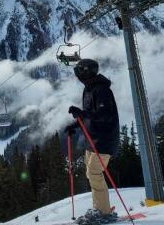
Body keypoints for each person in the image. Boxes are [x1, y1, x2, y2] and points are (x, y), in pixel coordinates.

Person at [65, 58, 119, 219]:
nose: (77, 75)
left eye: (79, 71)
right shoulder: (88, 90)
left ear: (86, 72)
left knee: (95, 173)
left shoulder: (102, 90)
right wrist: (76, 126)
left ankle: (103, 212)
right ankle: (100, 208)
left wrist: (82, 114)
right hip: (92, 139)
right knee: (91, 174)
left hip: (104, 141)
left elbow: (105, 115)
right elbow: (90, 115)